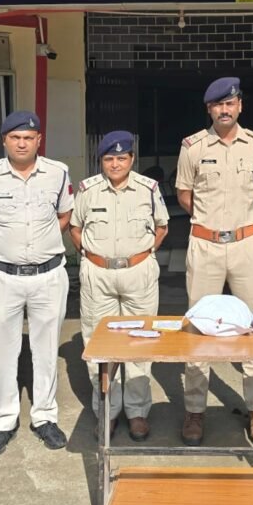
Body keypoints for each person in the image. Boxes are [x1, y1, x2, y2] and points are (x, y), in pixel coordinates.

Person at [175, 77, 253, 447]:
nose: (224, 109)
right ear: (209, 109)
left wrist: (248, 223)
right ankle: (195, 410)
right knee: (198, 326)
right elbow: (184, 194)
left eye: (230, 103)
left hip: (246, 246)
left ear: (240, 106)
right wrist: (210, 224)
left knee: (252, 326)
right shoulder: (192, 147)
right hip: (204, 245)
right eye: (218, 104)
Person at [0, 111, 74, 456]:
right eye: (15, 138)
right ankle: (3, 421)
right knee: (2, 352)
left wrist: (41, 243)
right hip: (3, 277)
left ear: (39, 140)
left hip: (48, 276)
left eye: (28, 138)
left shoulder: (58, 173)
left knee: (46, 350)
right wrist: (4, 247)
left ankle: (44, 418)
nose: (22, 143)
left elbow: (65, 214)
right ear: (4, 141)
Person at [70, 130, 169, 441]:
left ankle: (137, 411)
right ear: (101, 160)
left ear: (131, 159)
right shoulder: (87, 189)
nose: (115, 164)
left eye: (121, 158)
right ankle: (108, 411)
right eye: (109, 159)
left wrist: (142, 255)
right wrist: (90, 257)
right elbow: (75, 227)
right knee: (99, 343)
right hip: (98, 275)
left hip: (138, 273)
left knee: (141, 340)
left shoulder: (148, 189)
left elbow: (162, 227)